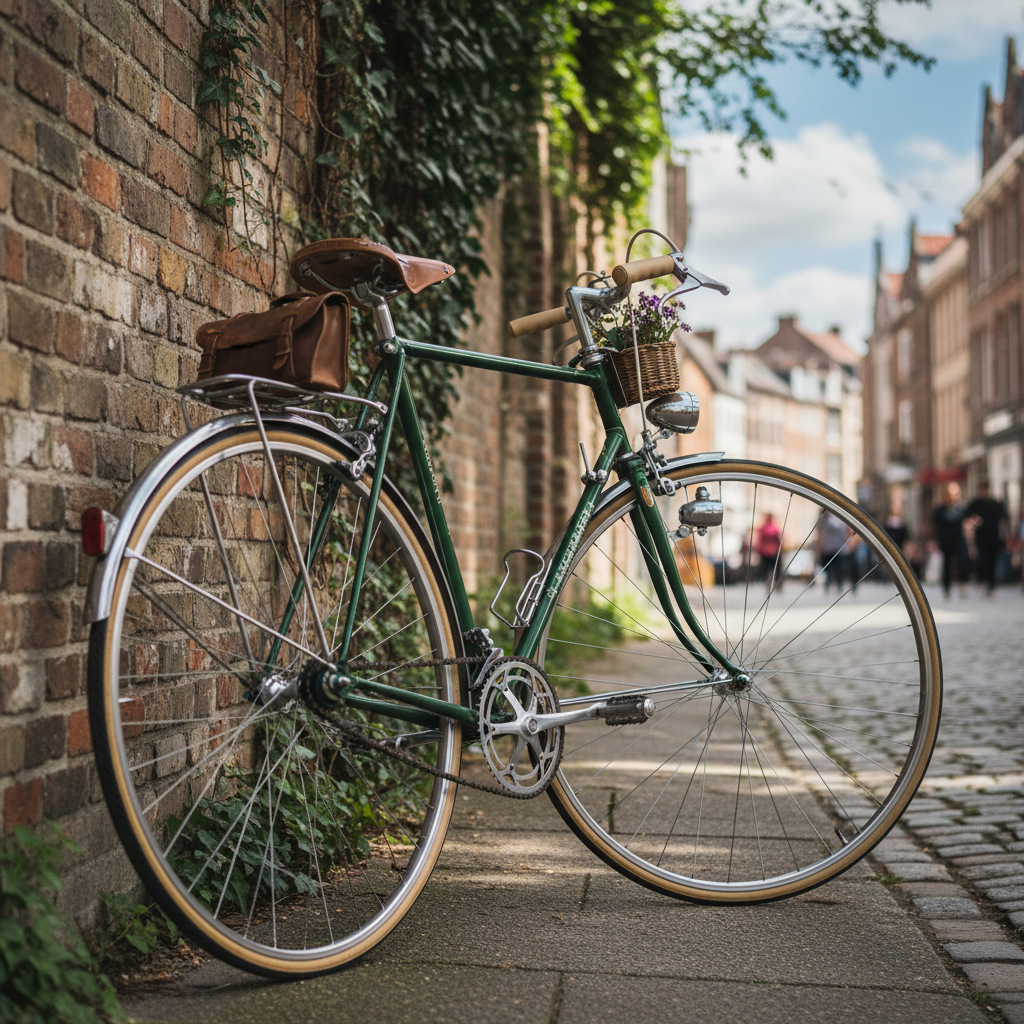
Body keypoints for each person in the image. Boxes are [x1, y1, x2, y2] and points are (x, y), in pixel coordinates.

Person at [967, 480, 1008, 595]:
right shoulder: (976, 504)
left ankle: (991, 585)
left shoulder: (995, 504)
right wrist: (974, 522)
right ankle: (983, 581)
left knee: (992, 561)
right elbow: (968, 516)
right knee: (983, 560)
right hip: (981, 537)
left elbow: (1003, 518)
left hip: (994, 537)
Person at [931, 481, 968, 599]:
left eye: (955, 494)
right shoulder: (940, 510)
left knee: (962, 562)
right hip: (946, 541)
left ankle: (962, 585)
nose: (952, 497)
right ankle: (946, 588)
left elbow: (966, 523)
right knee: (946, 565)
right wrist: (934, 540)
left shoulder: (961, 509)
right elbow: (934, 526)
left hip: (959, 540)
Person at [817, 511, 850, 592]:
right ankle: (837, 585)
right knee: (836, 568)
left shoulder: (824, 519)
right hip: (836, 548)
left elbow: (819, 532)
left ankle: (830, 585)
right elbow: (847, 530)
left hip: (830, 548)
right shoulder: (839, 519)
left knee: (830, 568)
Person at [755, 512, 784, 592]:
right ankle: (778, 586)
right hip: (774, 552)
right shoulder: (775, 528)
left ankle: (768, 585)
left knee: (766, 570)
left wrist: (758, 550)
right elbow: (780, 539)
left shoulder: (763, 528)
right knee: (777, 571)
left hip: (765, 553)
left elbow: (759, 540)